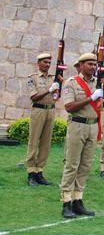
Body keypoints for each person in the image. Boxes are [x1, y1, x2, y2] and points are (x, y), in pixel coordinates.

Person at [59, 53, 103, 219]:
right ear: (81, 65)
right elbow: (69, 106)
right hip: (77, 125)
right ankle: (66, 201)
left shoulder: (98, 83)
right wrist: (90, 98)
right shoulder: (72, 83)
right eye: (90, 64)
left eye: (94, 64)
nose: (93, 67)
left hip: (92, 126)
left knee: (86, 165)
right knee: (72, 164)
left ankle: (78, 199)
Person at [25, 53, 58, 186]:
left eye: (49, 62)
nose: (48, 65)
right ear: (38, 63)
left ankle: (39, 171)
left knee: (46, 142)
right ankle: (31, 172)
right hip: (38, 110)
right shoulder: (32, 78)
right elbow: (34, 97)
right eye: (45, 62)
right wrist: (49, 90)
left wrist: (56, 91)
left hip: (50, 110)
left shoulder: (53, 78)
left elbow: (57, 95)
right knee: (34, 141)